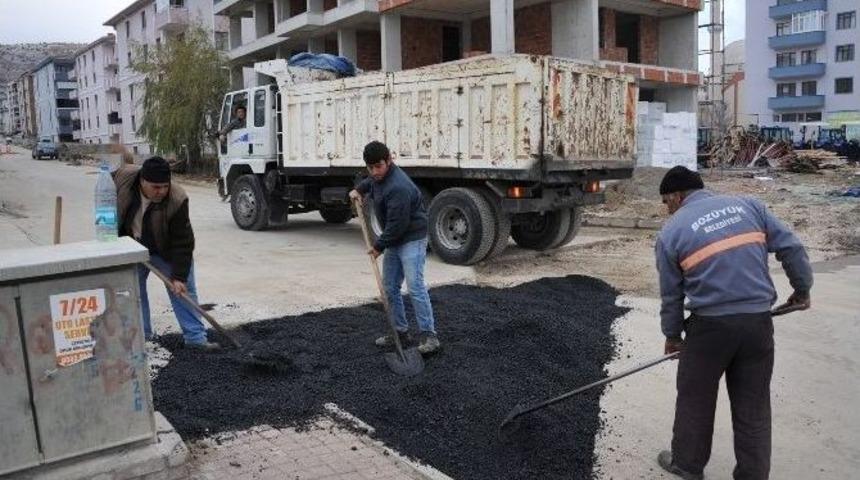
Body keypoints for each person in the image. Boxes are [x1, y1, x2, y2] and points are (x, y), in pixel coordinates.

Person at [654, 166, 812, 480]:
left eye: (665, 201)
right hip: (757, 325)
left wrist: (672, 336)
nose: (666, 208)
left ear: (677, 195)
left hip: (709, 329)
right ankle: (753, 474)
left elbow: (671, 296)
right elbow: (791, 247)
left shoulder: (671, 233)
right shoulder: (749, 206)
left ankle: (687, 465)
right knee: (753, 404)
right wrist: (802, 289)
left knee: (695, 398)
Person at [114, 156, 219, 351]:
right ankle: (144, 339)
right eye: (156, 187)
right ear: (142, 181)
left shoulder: (177, 199)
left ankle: (195, 339)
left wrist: (179, 277)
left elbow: (183, 241)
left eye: (165, 186)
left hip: (166, 249)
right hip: (132, 246)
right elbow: (106, 189)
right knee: (133, 291)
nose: (161, 191)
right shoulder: (125, 180)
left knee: (184, 291)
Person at [349, 141, 440, 355]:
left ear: (389, 160)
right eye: (370, 167)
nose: (374, 172)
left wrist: (378, 247)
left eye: (378, 166)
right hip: (395, 239)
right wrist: (358, 190)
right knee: (390, 287)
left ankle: (429, 336)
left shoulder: (399, 187)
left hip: (412, 238)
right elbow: (371, 182)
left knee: (415, 286)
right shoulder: (377, 176)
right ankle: (399, 332)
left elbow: (397, 226)